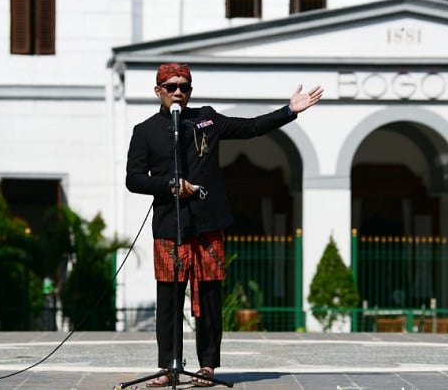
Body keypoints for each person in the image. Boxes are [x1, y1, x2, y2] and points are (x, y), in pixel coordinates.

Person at [126, 63, 322, 387]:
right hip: (169, 227)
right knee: (169, 299)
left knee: (210, 298)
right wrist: (170, 185)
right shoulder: (145, 131)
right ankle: (168, 365)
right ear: (158, 90)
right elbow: (134, 179)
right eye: (171, 86)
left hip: (208, 225)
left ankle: (207, 366)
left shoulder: (206, 119)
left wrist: (289, 111)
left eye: (184, 87)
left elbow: (252, 127)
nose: (178, 92)